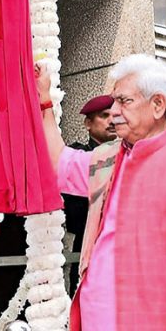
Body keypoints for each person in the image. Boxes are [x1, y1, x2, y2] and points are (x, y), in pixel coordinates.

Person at [36, 54, 166, 331]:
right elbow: (58, 164)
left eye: (124, 101)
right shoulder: (106, 157)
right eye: (113, 101)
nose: (114, 110)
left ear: (157, 105)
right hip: (99, 320)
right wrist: (43, 100)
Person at [64, 94, 116, 296]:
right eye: (104, 116)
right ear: (88, 123)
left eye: (114, 115)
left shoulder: (128, 154)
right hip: (88, 242)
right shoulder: (79, 154)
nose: (112, 121)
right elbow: (74, 217)